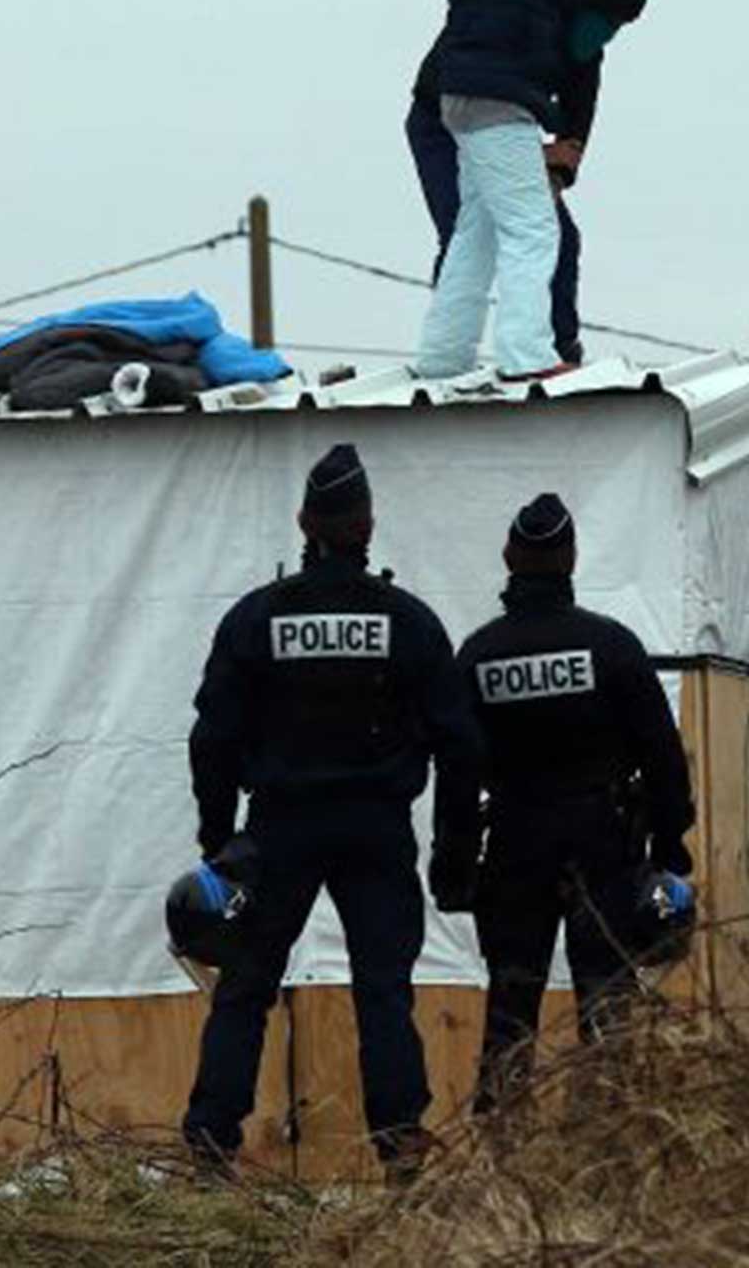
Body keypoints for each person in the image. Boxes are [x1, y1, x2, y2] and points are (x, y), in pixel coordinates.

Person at [180, 445, 484, 1179]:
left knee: (246, 990)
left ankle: (212, 1146)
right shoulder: (407, 621)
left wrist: (220, 840)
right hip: (376, 830)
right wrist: (453, 852)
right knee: (384, 992)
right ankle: (403, 1145)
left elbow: (213, 736)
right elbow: (461, 745)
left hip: (278, 828)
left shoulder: (256, 618)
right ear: (367, 526)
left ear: (304, 523)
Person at [415, 0, 715, 382]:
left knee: (475, 234)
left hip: (479, 94)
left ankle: (442, 354)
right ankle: (524, 356)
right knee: (534, 228)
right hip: (492, 94)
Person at [449, 493, 695, 1112]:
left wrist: (450, 863)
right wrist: (670, 845)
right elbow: (663, 757)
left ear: (509, 556)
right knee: (608, 1003)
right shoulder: (610, 645)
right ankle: (608, 1144)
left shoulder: (480, 654)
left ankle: (504, 1158)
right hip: (603, 842)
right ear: (572, 557)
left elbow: (456, 773)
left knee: (510, 1008)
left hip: (515, 843)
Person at [411, 0, 652, 370]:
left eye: (619, 26)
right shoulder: (527, 7)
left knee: (559, 235)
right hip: (444, 121)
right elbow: (457, 74)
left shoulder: (586, 48)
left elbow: (579, 115)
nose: (608, 33)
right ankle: (477, 355)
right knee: (471, 230)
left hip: (508, 124)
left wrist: (559, 170)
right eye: (608, 18)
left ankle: (558, 350)